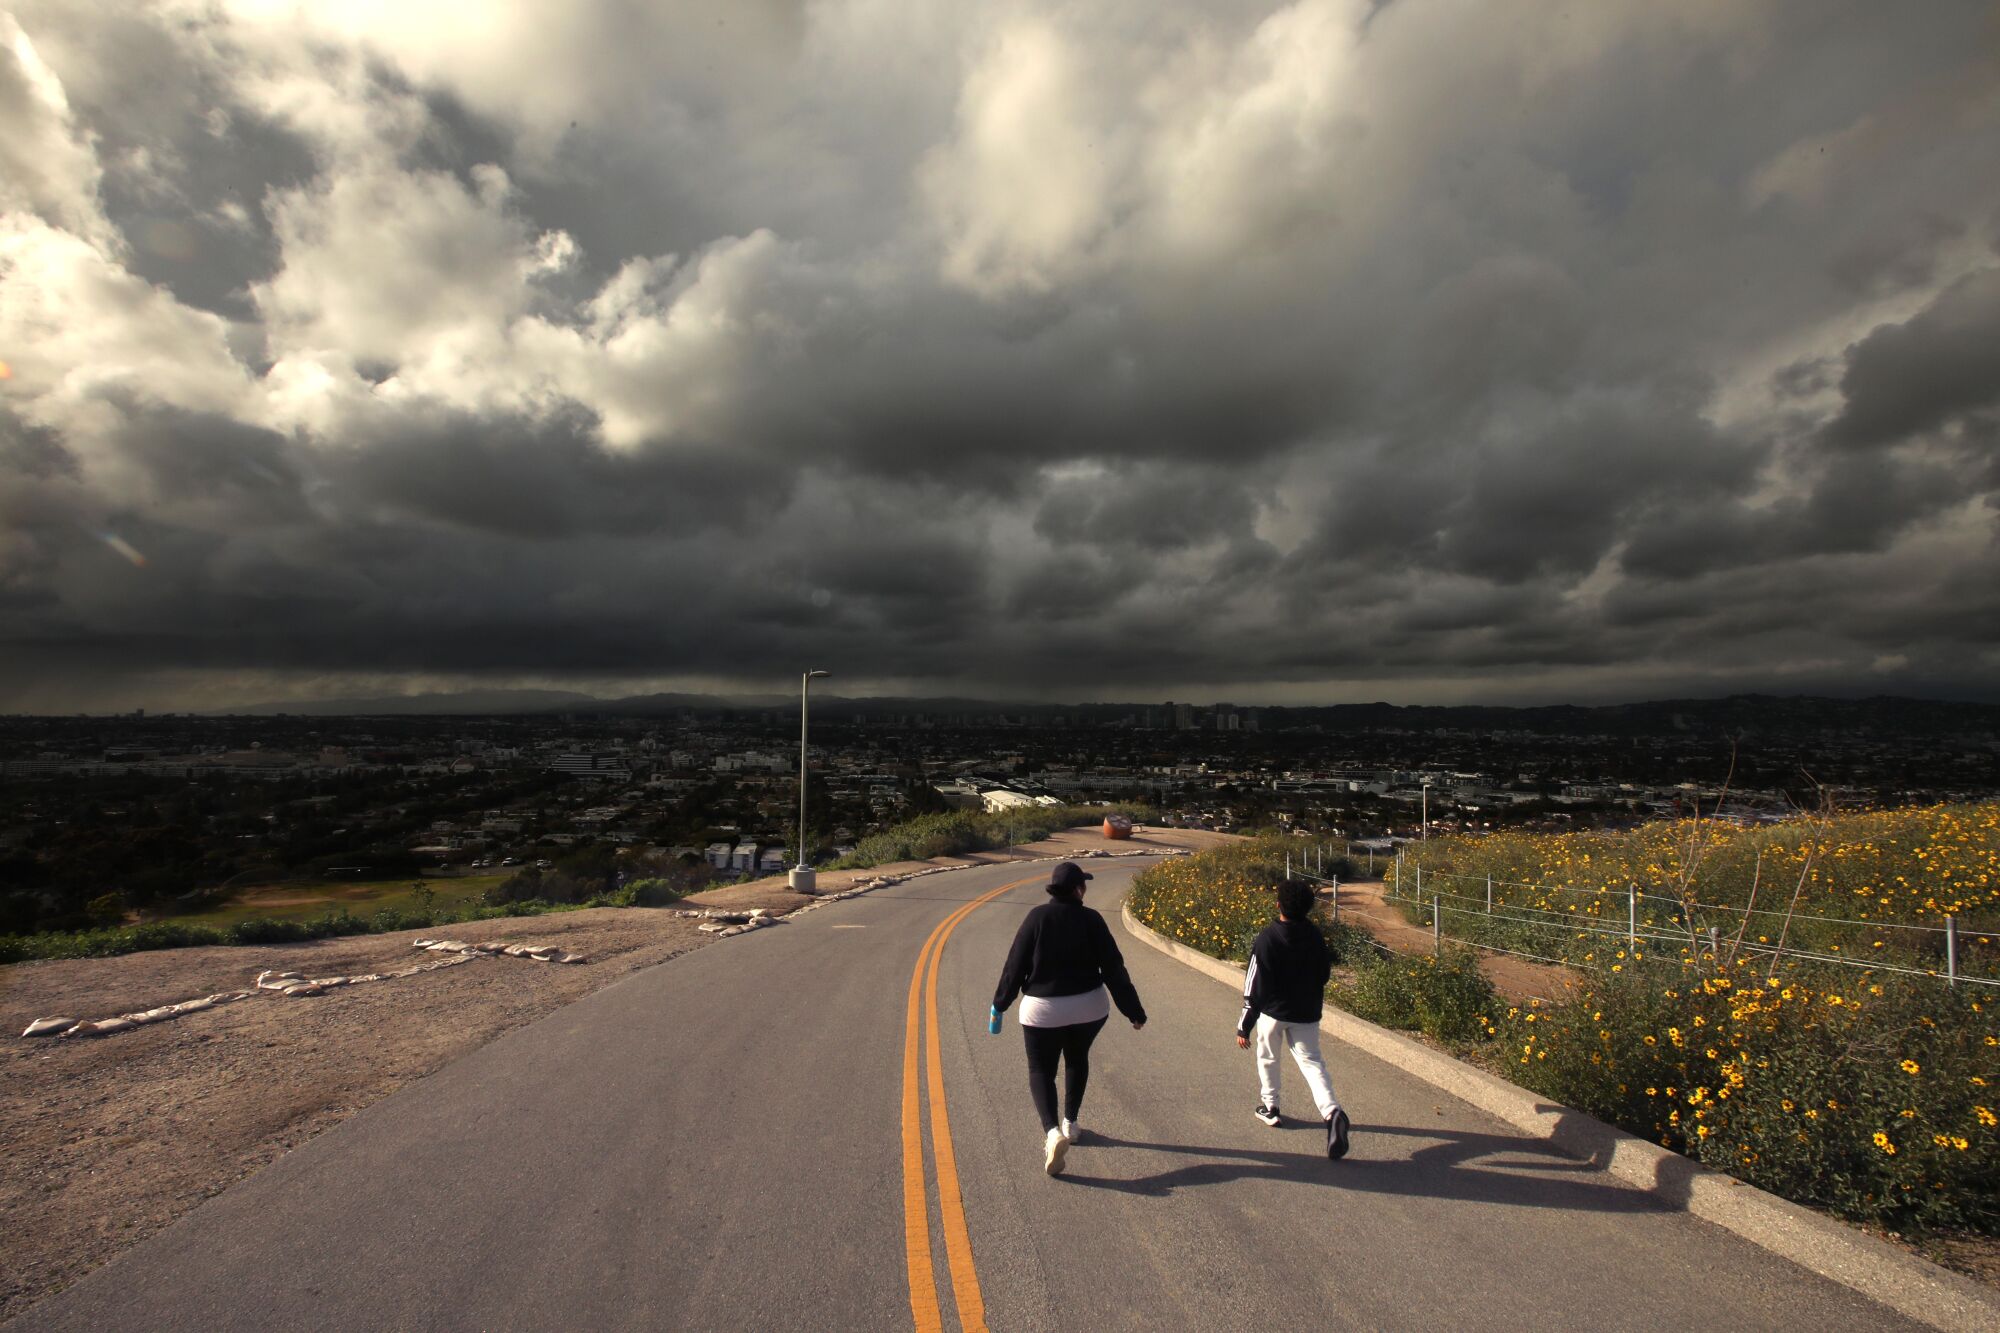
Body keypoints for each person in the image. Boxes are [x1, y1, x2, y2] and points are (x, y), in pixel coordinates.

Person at [992, 861, 1147, 1176]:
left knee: (1041, 1070)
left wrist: (1000, 1005)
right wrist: (1133, 1010)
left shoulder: (1036, 918)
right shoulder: (1092, 920)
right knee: (1077, 1058)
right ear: (1078, 889)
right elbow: (1114, 969)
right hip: (1089, 1007)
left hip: (1042, 1009)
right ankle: (1071, 1123)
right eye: (1084, 885)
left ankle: (1052, 1133)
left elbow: (1014, 966)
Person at [1235, 878, 1350, 1160]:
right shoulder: (1314, 936)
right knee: (1312, 1063)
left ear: (1278, 905)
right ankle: (1332, 1111)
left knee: (1268, 1057)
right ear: (1308, 908)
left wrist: (1244, 1024)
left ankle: (1270, 1107)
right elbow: (1324, 974)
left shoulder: (1267, 938)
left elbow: (1254, 986)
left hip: (1273, 1013)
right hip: (1307, 1012)